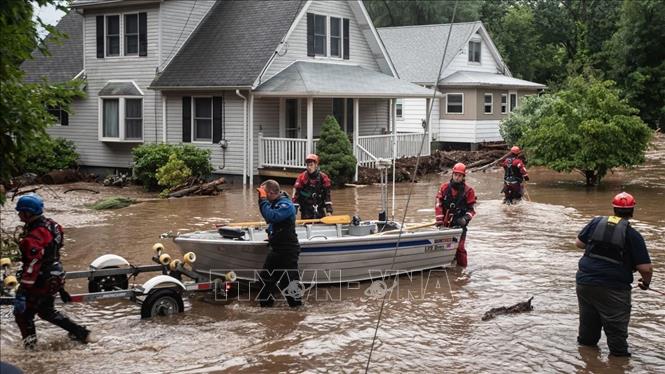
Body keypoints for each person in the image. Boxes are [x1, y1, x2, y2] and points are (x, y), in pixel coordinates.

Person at [575, 192, 653, 357]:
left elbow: (579, 243)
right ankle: (618, 365)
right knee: (617, 337)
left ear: (614, 209)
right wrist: (646, 284)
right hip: (614, 289)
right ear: (632, 211)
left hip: (585, 283)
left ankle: (586, 362)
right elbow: (645, 269)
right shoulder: (633, 235)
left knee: (587, 334)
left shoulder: (596, 222)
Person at [13, 194, 92, 349]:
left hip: (41, 279)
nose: (18, 215)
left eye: (20, 212)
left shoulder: (34, 236)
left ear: (28, 213)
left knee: (23, 315)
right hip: (55, 275)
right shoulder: (54, 226)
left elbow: (33, 264)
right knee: (46, 311)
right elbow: (56, 249)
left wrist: (22, 292)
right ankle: (82, 333)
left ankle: (30, 350)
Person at [256, 180, 303, 307]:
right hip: (277, 249)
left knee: (289, 283)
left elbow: (272, 216)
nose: (262, 196)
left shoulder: (286, 205)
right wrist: (272, 236)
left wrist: (262, 200)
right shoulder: (275, 203)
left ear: (271, 193)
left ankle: (297, 311)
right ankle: (266, 309)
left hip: (288, 250)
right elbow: (270, 220)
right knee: (265, 280)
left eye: (264, 194)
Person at [434, 163, 477, 267]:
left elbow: (472, 211)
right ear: (452, 174)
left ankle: (462, 270)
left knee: (460, 248)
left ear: (463, 177)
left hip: (459, 225)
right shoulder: (444, 187)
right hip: (445, 225)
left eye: (460, 175)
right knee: (442, 248)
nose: (457, 177)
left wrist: (465, 218)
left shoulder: (468, 191)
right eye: (455, 175)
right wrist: (439, 219)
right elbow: (438, 204)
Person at [293, 153, 333, 219]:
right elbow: (296, 197)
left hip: (319, 208)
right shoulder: (301, 178)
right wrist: (294, 213)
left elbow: (327, 196)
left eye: (311, 165)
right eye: (308, 165)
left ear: (316, 165)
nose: (309, 167)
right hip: (306, 209)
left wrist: (329, 211)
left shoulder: (323, 178)